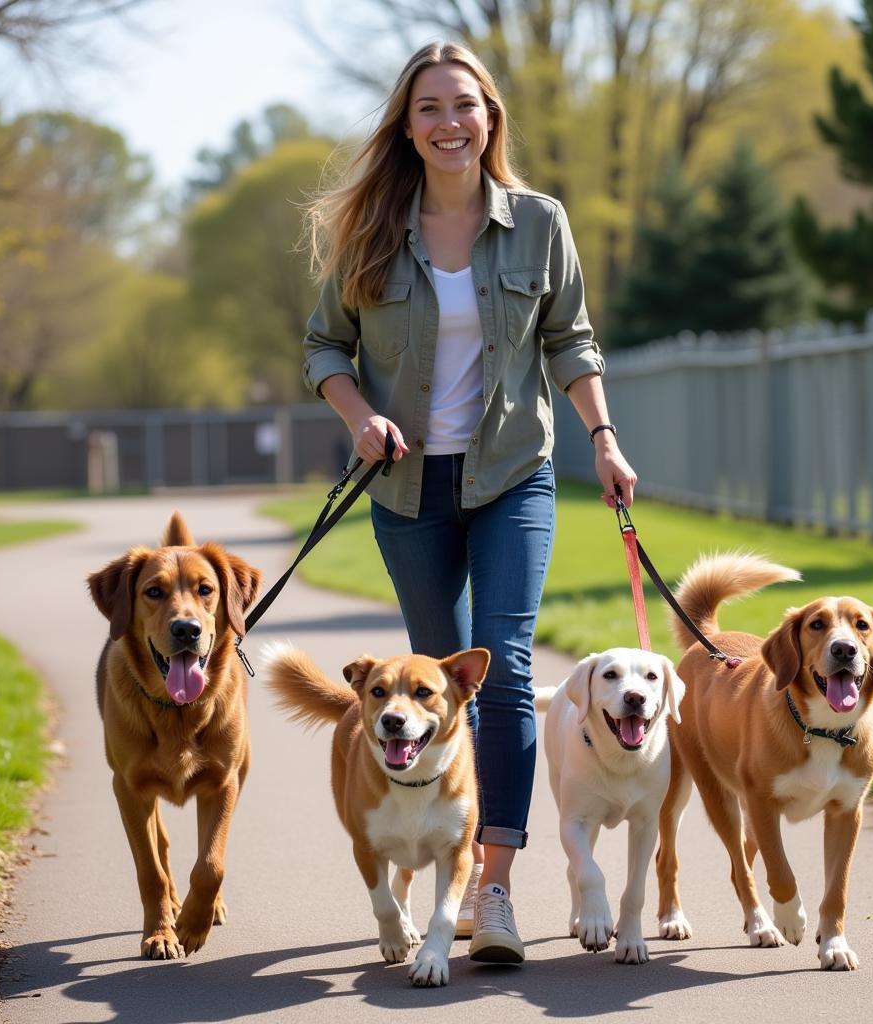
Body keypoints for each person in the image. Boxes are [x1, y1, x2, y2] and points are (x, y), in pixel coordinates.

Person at [302, 40, 637, 965]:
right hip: (407, 485)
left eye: (465, 106)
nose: (450, 123)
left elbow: (571, 339)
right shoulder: (369, 232)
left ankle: (492, 887)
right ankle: (420, 854)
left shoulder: (538, 222)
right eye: (430, 109)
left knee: (502, 673)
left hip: (512, 475)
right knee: (430, 681)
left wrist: (603, 438)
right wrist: (360, 417)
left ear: (491, 117)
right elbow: (324, 348)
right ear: (406, 129)